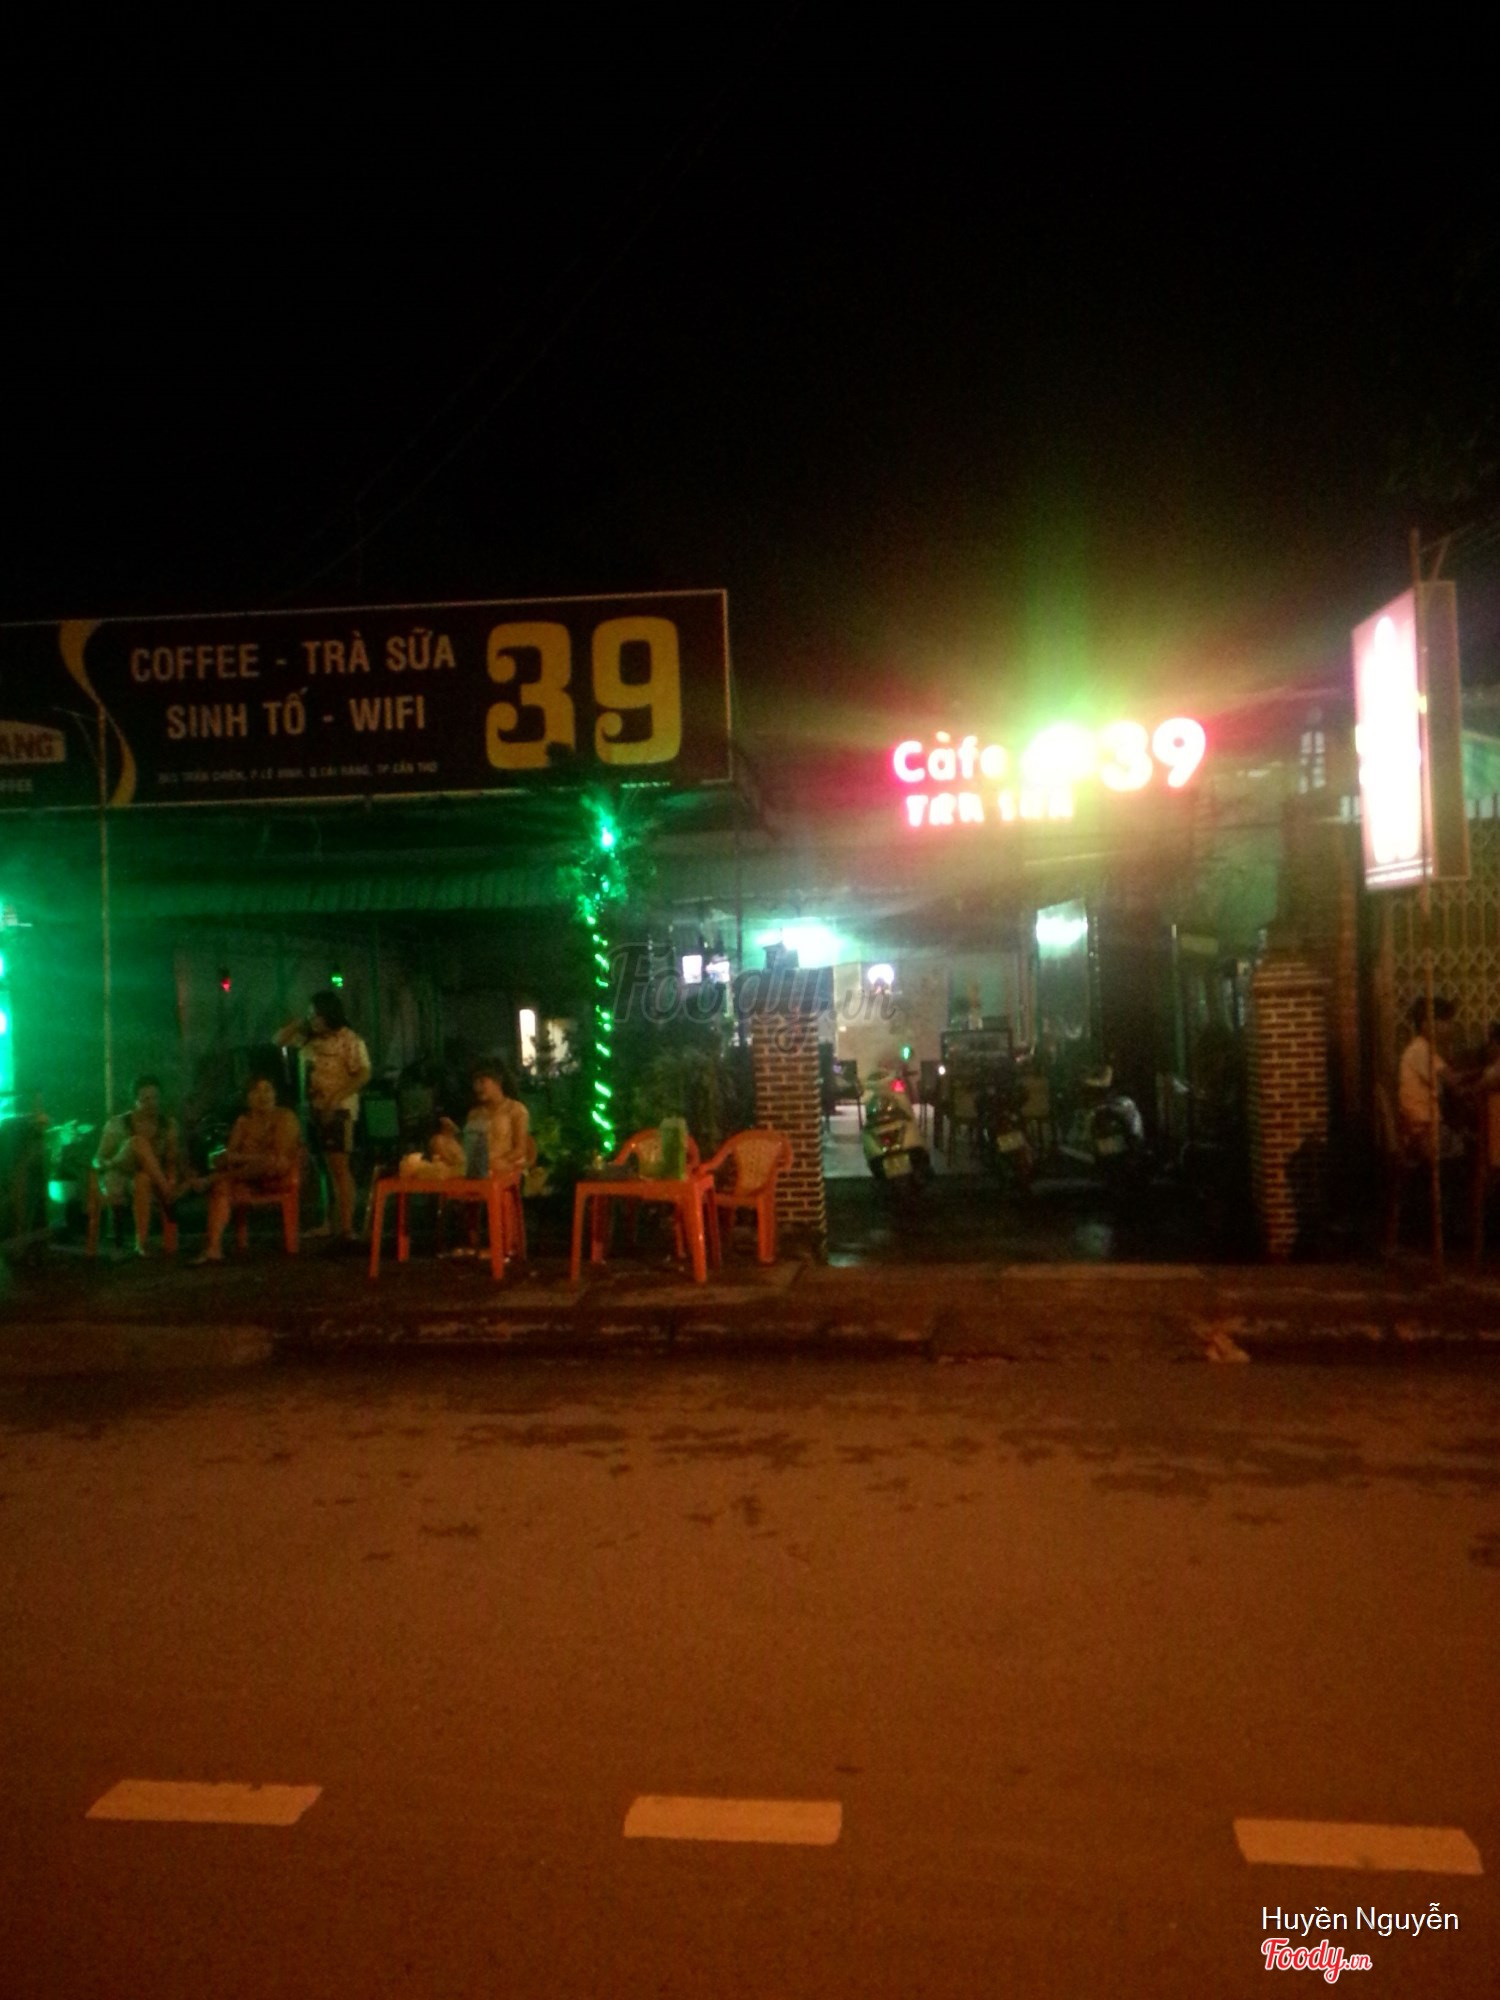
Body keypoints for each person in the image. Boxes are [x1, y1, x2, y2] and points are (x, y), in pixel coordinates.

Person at [275, 991, 372, 1239]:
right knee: (322, 1168)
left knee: (339, 1167)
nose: (313, 1020)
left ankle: (347, 1226)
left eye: (316, 1015)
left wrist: (337, 1097)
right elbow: (277, 1040)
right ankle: (328, 1221)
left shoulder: (348, 1039)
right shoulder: (308, 1039)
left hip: (338, 1110)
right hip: (312, 1109)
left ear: (328, 1014)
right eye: (311, 1015)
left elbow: (363, 1073)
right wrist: (297, 1023)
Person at [194, 1074, 302, 1262]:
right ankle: (213, 1248)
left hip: (277, 1177)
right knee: (221, 1187)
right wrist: (223, 1158)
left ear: (275, 1094)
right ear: (248, 1098)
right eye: (256, 1091)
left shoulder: (285, 1117)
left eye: (267, 1090)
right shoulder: (243, 1122)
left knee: (271, 1161)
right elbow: (230, 1155)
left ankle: (212, 1179)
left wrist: (240, 1158)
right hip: (245, 1179)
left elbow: (279, 1155)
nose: (262, 1096)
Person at [90, 1074, 182, 1254]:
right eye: (145, 1099)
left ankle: (141, 1243)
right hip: (118, 1175)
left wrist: (172, 1179)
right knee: (137, 1142)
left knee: (142, 1179)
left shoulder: (168, 1125)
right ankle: (168, 1194)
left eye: (155, 1097)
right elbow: (97, 1159)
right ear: (135, 1101)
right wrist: (110, 1163)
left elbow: (172, 1160)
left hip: (150, 1179)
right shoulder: (118, 1124)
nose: (152, 1103)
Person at [1397, 995, 1463, 1160]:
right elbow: (1451, 1080)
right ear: (1426, 1024)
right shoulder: (1421, 1049)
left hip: (1423, 1123)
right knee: (1469, 1148)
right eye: (1445, 1021)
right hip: (1424, 1126)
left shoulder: (1423, 1047)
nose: (1450, 1027)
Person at [464, 1060, 531, 1176]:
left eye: (482, 1081)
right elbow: (470, 1148)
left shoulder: (516, 1109)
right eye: (475, 1083)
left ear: (498, 1081)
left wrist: (501, 1161)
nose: (477, 1087)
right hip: (480, 1169)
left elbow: (520, 1149)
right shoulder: (474, 1114)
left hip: (507, 1167)